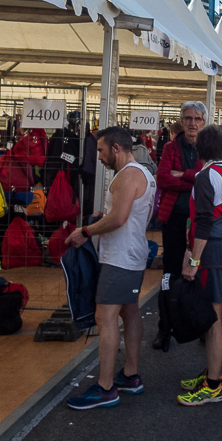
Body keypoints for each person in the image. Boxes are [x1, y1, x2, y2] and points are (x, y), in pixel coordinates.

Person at [65, 126, 156, 410]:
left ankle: (105, 387)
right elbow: (124, 215)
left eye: (101, 150)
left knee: (105, 317)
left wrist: (87, 230)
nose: (99, 156)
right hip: (129, 254)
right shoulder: (143, 174)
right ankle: (130, 375)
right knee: (129, 311)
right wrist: (104, 217)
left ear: (116, 148)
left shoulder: (129, 175)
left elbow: (119, 219)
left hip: (121, 258)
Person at [177, 126, 222, 406]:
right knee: (214, 314)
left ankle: (214, 384)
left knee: (213, 317)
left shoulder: (205, 176)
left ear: (200, 149)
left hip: (212, 251)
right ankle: (211, 374)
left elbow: (203, 221)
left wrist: (193, 259)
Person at [152, 101, 206, 352]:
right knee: (169, 274)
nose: (192, 122)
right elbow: (162, 178)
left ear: (203, 122)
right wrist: (191, 177)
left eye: (197, 118)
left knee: (200, 272)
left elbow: (204, 178)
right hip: (174, 219)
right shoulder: (171, 147)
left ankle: (202, 325)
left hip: (199, 221)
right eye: (188, 118)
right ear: (182, 121)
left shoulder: (206, 148)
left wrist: (180, 174)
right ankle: (165, 327)